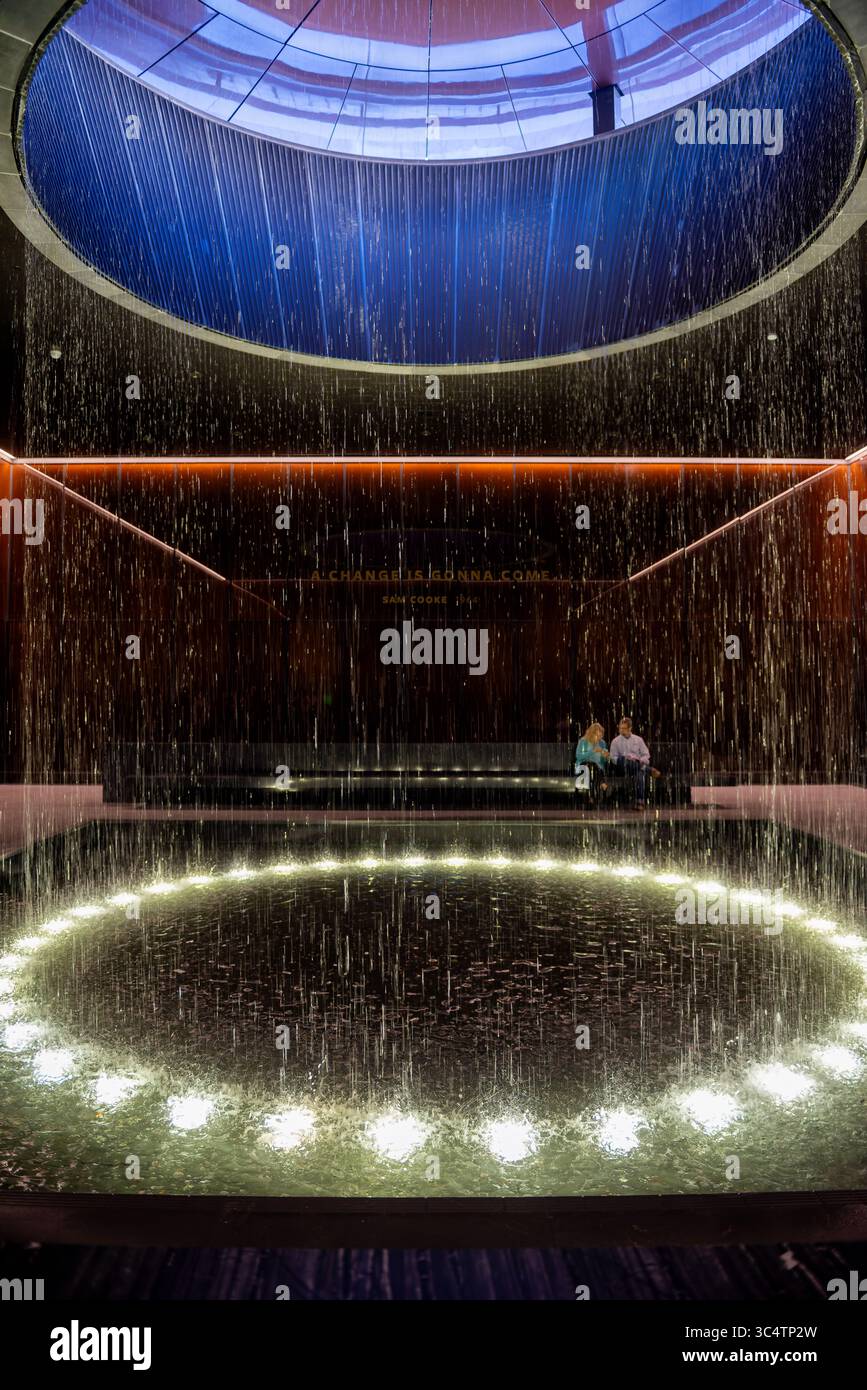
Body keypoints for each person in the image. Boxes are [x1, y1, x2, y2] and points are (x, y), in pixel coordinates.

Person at [609, 717, 651, 806]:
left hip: (636, 766)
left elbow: (646, 755)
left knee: (639, 774)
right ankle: (648, 769)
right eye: (620, 728)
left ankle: (640, 801)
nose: (621, 730)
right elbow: (613, 758)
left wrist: (639, 761)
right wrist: (626, 760)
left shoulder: (638, 740)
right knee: (624, 760)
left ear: (630, 728)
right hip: (622, 768)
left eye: (624, 728)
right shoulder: (615, 741)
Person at [574, 722, 610, 800]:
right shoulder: (583, 741)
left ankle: (591, 796)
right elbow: (579, 756)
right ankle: (601, 784)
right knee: (591, 768)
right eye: (597, 735)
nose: (599, 738)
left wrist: (605, 757)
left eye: (601, 735)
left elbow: (602, 762)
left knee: (594, 769)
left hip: (598, 768)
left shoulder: (602, 743)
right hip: (583, 766)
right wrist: (593, 751)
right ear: (591, 734)